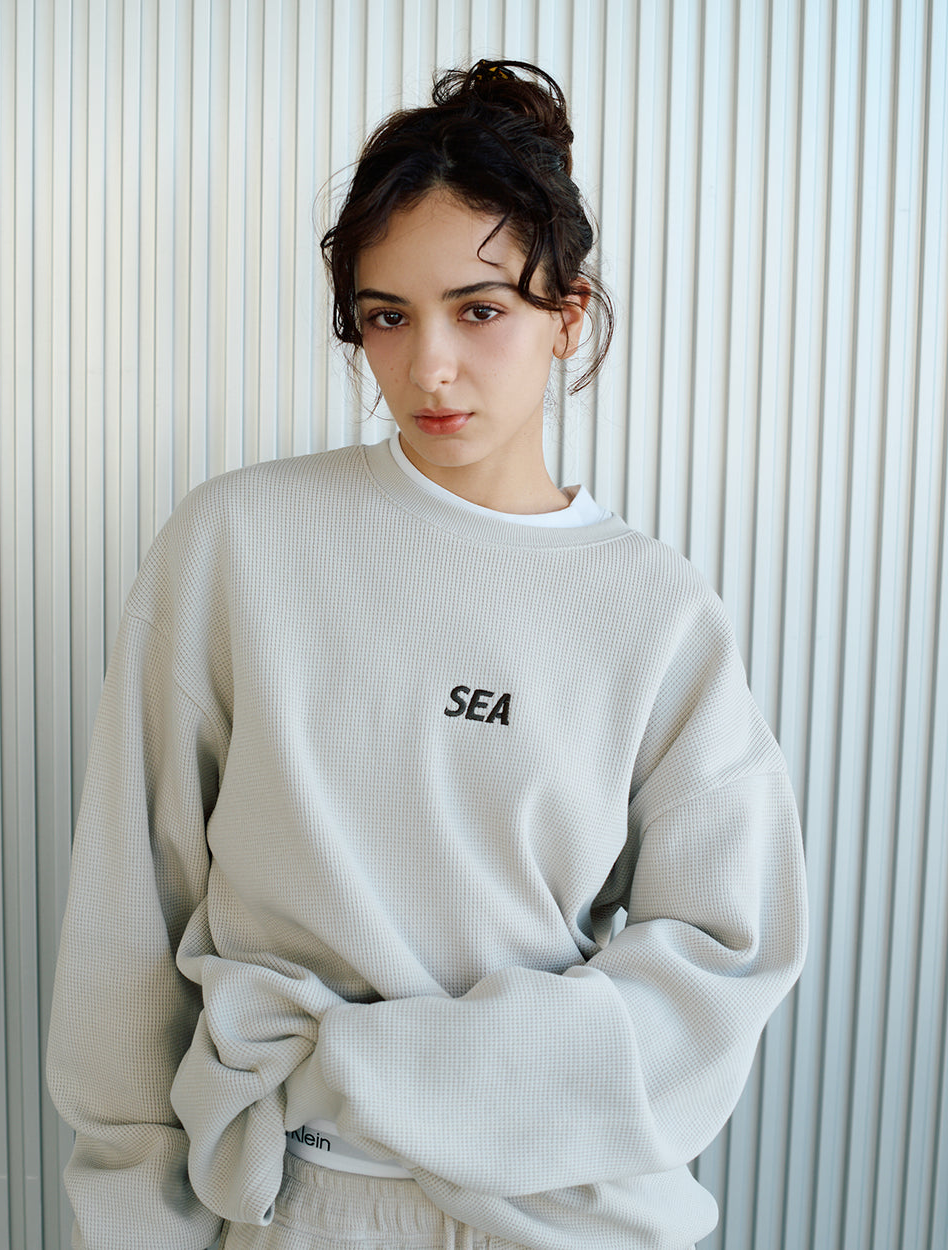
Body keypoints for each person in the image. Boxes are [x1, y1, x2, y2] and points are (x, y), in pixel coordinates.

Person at [47, 59, 808, 1250]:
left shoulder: (654, 608)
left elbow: (724, 954)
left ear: (568, 315)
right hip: (298, 1196)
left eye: (480, 309)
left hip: (559, 1205)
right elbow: (126, 912)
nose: (428, 367)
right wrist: (137, 1221)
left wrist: (394, 1063)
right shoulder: (237, 542)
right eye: (386, 316)